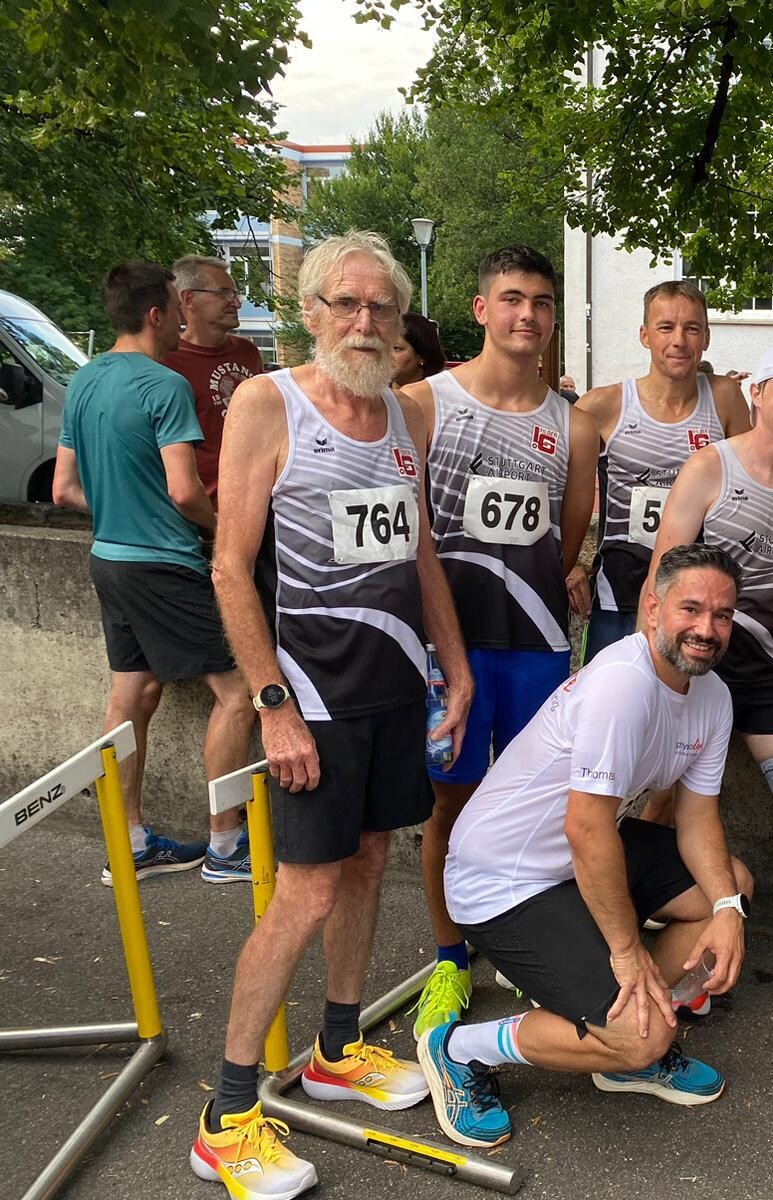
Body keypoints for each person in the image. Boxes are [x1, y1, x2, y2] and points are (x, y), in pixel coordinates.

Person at [191, 231, 472, 1199]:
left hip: (393, 690)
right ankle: (226, 1118)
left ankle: (337, 1051)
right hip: (310, 700)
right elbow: (230, 567)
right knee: (304, 893)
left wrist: (455, 667)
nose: (365, 321)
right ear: (310, 312)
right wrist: (272, 706)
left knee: (368, 865)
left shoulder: (402, 414)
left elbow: (418, 548)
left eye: (381, 306)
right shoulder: (271, 403)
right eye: (345, 303)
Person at [422, 545, 755, 1147]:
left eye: (722, 615)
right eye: (691, 609)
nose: (707, 629)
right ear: (652, 609)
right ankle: (460, 1049)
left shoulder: (713, 698)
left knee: (729, 886)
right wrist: (626, 952)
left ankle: (624, 1032)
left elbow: (697, 816)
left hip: (575, 863)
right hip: (503, 879)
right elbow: (586, 827)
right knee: (642, 1037)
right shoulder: (624, 682)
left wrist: (729, 909)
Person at [403, 246, 601, 1039]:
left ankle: (525, 948)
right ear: (481, 309)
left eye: (542, 303)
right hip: (445, 647)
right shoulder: (423, 403)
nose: (529, 315)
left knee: (537, 808)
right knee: (451, 802)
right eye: (513, 299)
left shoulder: (573, 425)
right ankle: (450, 957)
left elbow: (567, 537)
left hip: (536, 641)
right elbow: (410, 530)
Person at [646, 344, 773, 1027]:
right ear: (756, 393)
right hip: (693, 664)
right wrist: (655, 677)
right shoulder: (711, 466)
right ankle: (651, 944)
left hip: (767, 671)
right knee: (656, 804)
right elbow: (662, 579)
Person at [51, 262, 253, 886]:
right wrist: (226, 531)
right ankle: (226, 845)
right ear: (158, 314)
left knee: (132, 695)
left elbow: (63, 490)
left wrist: (122, 508)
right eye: (175, 307)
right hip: (165, 563)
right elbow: (185, 492)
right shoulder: (164, 384)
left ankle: (129, 842)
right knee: (241, 691)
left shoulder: (85, 380)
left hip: (109, 560)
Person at [577, 281, 751, 663]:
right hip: (618, 592)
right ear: (644, 335)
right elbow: (559, 482)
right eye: (666, 327)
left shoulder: (724, 397)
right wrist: (571, 562)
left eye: (692, 328)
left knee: (685, 700)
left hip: (697, 599)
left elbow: (751, 486)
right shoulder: (605, 404)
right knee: (613, 693)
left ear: (706, 337)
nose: (679, 340)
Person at [164, 255, 265, 502]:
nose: (236, 303)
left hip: (258, 500)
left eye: (234, 293)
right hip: (203, 510)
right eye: (223, 293)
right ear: (189, 299)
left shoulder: (248, 352)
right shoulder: (167, 362)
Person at [392, 312, 446, 387]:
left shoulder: (442, 391)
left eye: (396, 348)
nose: (384, 354)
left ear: (422, 355)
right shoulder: (379, 391)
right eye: (382, 347)